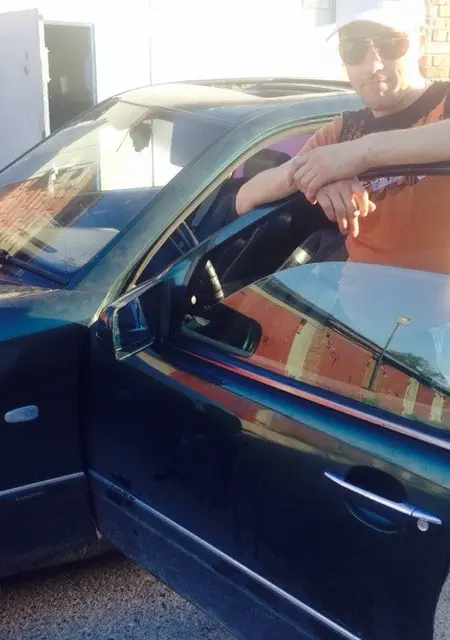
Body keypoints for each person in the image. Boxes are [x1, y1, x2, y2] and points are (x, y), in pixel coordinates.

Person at [235, 0, 450, 276]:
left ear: (420, 42)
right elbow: (245, 198)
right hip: (352, 302)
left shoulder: (443, 103)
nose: (372, 65)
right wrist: (318, 176)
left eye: (390, 44)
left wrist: (359, 154)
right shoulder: (343, 130)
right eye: (354, 49)